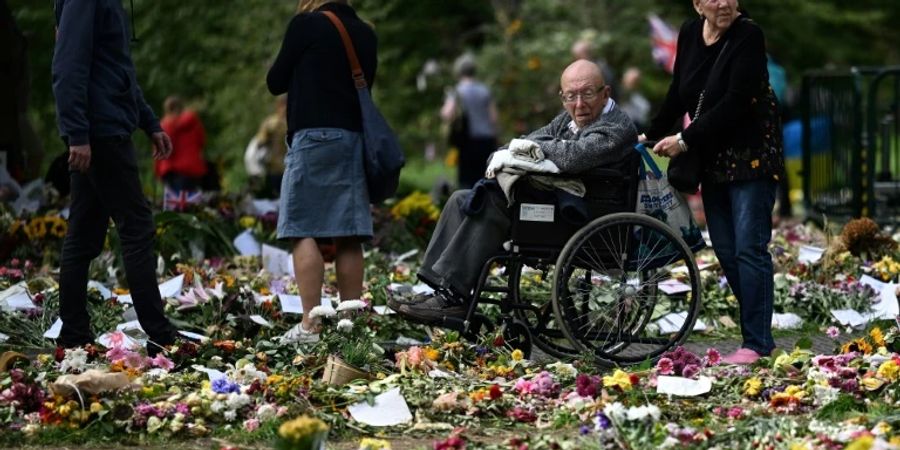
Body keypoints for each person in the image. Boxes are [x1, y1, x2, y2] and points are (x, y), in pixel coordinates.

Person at [390, 60, 638, 323]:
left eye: (587, 94)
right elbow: (519, 144)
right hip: (559, 205)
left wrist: (539, 148)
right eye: (570, 96)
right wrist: (540, 147)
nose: (579, 104)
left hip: (584, 216)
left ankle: (453, 297)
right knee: (462, 198)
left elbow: (572, 157)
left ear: (606, 93)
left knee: (493, 201)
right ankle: (436, 287)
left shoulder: (617, 127)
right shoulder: (567, 120)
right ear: (562, 97)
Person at [642, 0, 784, 365]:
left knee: (749, 248)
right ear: (697, 4)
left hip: (751, 154)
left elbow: (736, 101)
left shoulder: (748, 35)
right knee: (725, 249)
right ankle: (757, 332)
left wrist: (684, 140)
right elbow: (679, 92)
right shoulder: (690, 33)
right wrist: (649, 134)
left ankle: (757, 342)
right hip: (712, 157)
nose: (723, 2)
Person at [52, 0, 180, 355]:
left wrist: (149, 121)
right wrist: (76, 133)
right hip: (100, 131)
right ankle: (160, 335)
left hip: (103, 126)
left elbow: (116, 70)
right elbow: (68, 64)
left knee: (84, 234)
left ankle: (74, 336)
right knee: (136, 227)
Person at [266, 0, 377, 342]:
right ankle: (349, 327)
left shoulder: (306, 25)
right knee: (348, 234)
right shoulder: (365, 32)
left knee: (303, 229)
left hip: (312, 137)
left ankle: (310, 326)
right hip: (351, 140)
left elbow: (275, 81)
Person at [441, 54, 498, 189]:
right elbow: (494, 118)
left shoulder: (457, 91)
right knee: (486, 179)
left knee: (467, 183)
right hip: (487, 140)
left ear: (459, 71)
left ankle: (469, 208)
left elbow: (447, 114)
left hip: (468, 142)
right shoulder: (485, 90)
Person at [155, 96, 207, 192]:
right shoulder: (194, 122)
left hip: (172, 170)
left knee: (175, 204)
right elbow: (202, 142)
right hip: (193, 168)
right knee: (192, 202)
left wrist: (157, 171)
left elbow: (163, 150)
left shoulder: (166, 124)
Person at [254, 95, 288, 198]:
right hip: (283, 168)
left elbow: (260, 142)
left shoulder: (269, 123)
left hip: (276, 168)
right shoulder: (293, 122)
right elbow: (260, 142)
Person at [619, 67, 651, 132]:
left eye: (635, 81)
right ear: (623, 80)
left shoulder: (642, 103)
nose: (631, 84)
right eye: (630, 81)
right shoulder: (613, 96)